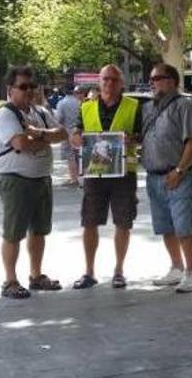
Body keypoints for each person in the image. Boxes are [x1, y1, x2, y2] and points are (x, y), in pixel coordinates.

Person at [0, 67, 67, 299]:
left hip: (41, 179)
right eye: (23, 86)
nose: (29, 91)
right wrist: (45, 138)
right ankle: (10, 281)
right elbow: (20, 144)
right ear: (10, 89)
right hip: (16, 181)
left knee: (39, 231)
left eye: (32, 86)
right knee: (13, 233)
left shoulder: (41, 111)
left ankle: (36, 276)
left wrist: (37, 133)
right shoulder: (5, 115)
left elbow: (62, 133)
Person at [69, 65, 142, 290]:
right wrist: (76, 138)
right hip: (95, 173)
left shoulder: (134, 106)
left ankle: (119, 271)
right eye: (105, 79)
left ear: (121, 83)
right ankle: (89, 272)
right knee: (89, 222)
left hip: (123, 173)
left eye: (113, 79)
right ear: (99, 82)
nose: (109, 83)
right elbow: (75, 133)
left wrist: (134, 139)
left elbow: (143, 135)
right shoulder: (86, 106)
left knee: (123, 222)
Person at [143, 63, 192, 293]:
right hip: (154, 175)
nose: (152, 82)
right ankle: (176, 268)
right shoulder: (148, 108)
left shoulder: (186, 105)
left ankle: (191, 272)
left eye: (157, 78)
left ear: (172, 81)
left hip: (179, 175)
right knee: (165, 225)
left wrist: (179, 170)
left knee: (185, 225)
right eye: (151, 78)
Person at [55, 85, 86, 187]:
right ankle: (83, 178)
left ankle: (74, 179)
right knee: (82, 155)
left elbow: (59, 119)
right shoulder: (82, 102)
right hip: (82, 132)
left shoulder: (62, 103)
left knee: (70, 156)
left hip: (68, 133)